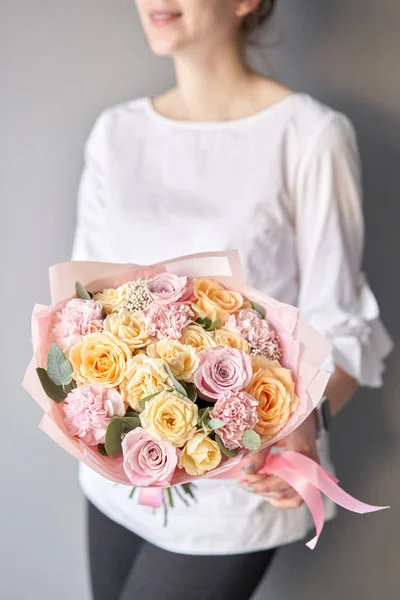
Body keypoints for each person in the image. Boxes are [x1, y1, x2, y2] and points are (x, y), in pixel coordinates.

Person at [71, 1, 392, 598]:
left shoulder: (310, 136)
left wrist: (307, 421)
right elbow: (81, 307)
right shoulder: (116, 133)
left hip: (240, 494)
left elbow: (345, 325)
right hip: (116, 481)